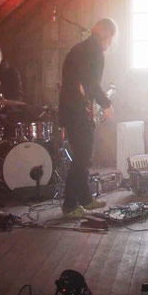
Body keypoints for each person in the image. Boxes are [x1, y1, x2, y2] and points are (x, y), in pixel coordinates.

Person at [59, 18, 117, 218]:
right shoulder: (93, 52)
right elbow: (90, 83)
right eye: (111, 38)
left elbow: (83, 84)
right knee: (81, 158)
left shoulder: (80, 49)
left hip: (74, 111)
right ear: (106, 35)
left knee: (83, 155)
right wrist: (106, 104)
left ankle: (85, 198)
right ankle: (69, 204)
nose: (110, 43)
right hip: (76, 112)